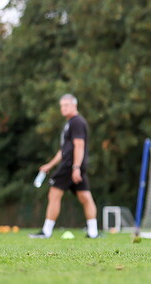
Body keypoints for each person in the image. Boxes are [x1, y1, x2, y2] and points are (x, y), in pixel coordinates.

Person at [29, 94, 99, 239]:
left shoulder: (76, 122)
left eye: (66, 105)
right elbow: (64, 150)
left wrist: (75, 167)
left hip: (70, 166)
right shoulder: (69, 123)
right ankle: (93, 232)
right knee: (85, 196)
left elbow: (79, 145)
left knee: (54, 194)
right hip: (73, 165)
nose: (63, 108)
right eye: (62, 106)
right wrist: (49, 165)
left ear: (75, 105)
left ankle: (46, 232)